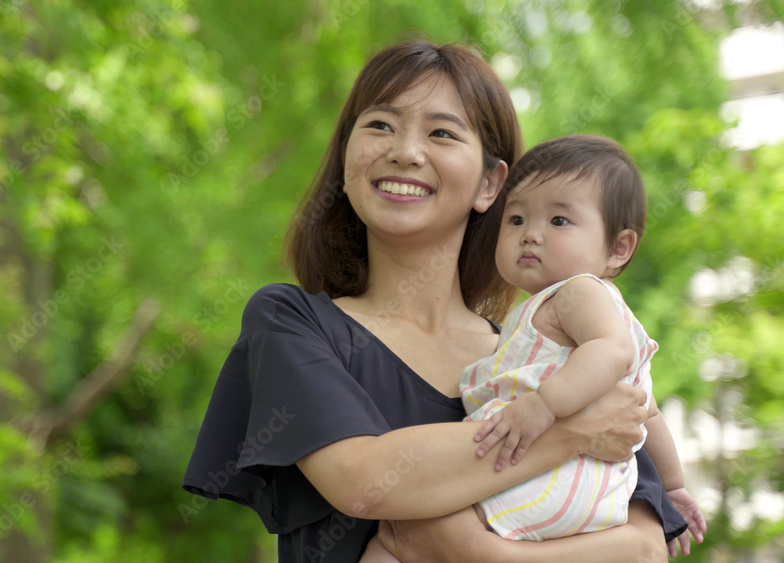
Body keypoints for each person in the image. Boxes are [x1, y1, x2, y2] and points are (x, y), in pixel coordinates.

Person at [183, 39, 687, 562]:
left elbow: (648, 548)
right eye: (380, 125)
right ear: (346, 157)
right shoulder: (296, 324)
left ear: (491, 183)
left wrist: (492, 558)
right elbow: (365, 481)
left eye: (442, 132)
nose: (404, 151)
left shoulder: (543, 349)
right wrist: (572, 433)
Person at [360, 135, 707, 562]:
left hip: (545, 481)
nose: (532, 236)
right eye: (518, 219)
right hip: (588, 498)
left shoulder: (577, 293)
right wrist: (673, 487)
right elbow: (646, 410)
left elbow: (611, 351)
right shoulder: (563, 308)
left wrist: (544, 404)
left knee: (396, 534)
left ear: (618, 248)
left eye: (559, 222)